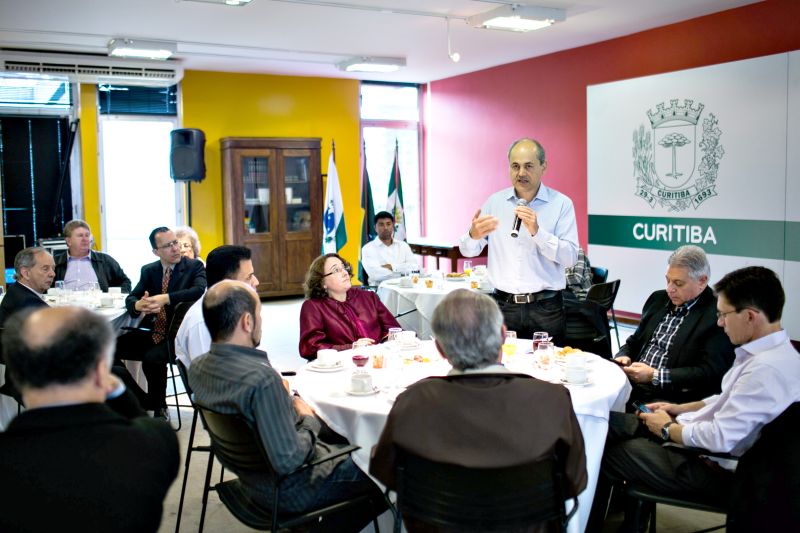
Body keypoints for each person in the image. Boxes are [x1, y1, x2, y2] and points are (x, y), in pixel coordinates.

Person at [589, 266, 800, 532]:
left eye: (723, 315)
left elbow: (719, 438)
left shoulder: (765, 372)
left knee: (605, 448)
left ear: (749, 316)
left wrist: (667, 428)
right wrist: (678, 408)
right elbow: (727, 399)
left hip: (717, 471)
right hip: (709, 449)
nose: (720, 322)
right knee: (611, 426)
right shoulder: (777, 355)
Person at [370, 289, 587, 519]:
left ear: (440, 349)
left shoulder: (413, 401)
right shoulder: (551, 399)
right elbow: (574, 481)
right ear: (503, 335)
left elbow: (386, 473)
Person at [189, 280, 386, 532]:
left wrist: (279, 402)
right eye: (260, 314)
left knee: (343, 433)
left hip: (251, 481)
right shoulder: (261, 380)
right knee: (392, 463)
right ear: (247, 322)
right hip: (291, 488)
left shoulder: (199, 367)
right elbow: (288, 460)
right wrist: (307, 418)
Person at [0, 306, 179, 532]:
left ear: (16, 374)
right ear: (100, 371)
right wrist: (119, 392)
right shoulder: (155, 444)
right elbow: (145, 423)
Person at [459, 138, 578, 343]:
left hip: (546, 309)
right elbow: (468, 251)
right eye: (515, 166)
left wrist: (538, 233)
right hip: (503, 307)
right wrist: (472, 235)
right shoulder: (495, 203)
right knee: (504, 369)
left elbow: (570, 259)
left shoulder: (561, 204)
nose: (521, 173)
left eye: (528, 166)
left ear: (543, 166)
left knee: (548, 371)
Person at [613, 245, 734, 407]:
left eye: (678, 283)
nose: (670, 289)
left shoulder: (716, 315)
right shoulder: (657, 300)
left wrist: (654, 375)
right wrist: (623, 356)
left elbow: (710, 372)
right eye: (668, 280)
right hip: (632, 384)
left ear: (702, 281)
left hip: (670, 397)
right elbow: (634, 341)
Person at [115, 227, 206, 415]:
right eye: (168, 245)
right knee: (108, 348)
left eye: (175, 243)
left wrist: (165, 298)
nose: (175, 249)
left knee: (152, 358)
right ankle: (143, 400)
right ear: (156, 252)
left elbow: (198, 290)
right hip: (152, 331)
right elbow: (132, 297)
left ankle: (157, 406)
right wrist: (139, 305)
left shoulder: (193, 267)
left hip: (176, 335)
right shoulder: (149, 271)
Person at [299, 253, 400, 360]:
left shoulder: (368, 297)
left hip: (379, 359)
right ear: (322, 282)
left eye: (344, 267)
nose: (345, 273)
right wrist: (351, 348)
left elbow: (394, 329)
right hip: (341, 365)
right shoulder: (313, 307)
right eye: (336, 270)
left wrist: (387, 341)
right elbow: (310, 347)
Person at [175, 244, 259, 369]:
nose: (256, 282)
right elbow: (211, 381)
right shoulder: (202, 323)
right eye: (249, 277)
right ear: (225, 283)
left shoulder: (230, 306)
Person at [54, 219, 132, 292]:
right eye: (80, 236)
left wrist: (113, 298)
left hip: (97, 305)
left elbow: (126, 282)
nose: (85, 239)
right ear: (69, 241)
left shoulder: (105, 260)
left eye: (87, 235)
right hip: (65, 305)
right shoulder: (55, 262)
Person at [0, 247, 53, 327]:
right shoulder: (29, 302)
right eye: (45, 269)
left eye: (53, 268)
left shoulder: (16, 290)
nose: (52, 274)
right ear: (26, 273)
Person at [361, 210, 417, 285]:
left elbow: (415, 268)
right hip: (380, 291)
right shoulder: (368, 249)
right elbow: (375, 275)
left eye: (388, 224)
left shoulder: (403, 246)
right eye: (381, 224)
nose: (386, 227)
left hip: (404, 288)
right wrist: (403, 273)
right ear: (375, 228)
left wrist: (392, 266)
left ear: (393, 226)